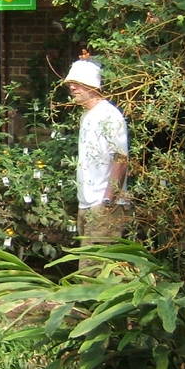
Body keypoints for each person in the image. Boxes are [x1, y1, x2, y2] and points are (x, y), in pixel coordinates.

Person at [64, 57, 128, 246]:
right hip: (87, 203)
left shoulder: (108, 115)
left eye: (77, 84)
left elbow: (121, 158)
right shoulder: (87, 115)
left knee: (96, 268)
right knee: (87, 269)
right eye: (71, 84)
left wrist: (108, 199)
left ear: (92, 85)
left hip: (103, 205)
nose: (72, 88)